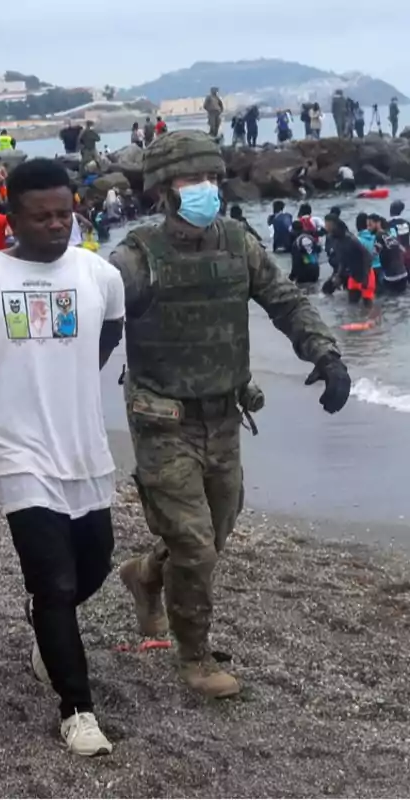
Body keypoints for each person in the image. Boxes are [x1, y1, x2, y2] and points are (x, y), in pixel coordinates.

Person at [109, 131, 350, 699]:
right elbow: (92, 321)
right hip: (162, 420)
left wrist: (326, 353)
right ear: (166, 190)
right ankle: (194, 659)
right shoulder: (135, 258)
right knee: (194, 546)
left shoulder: (239, 243)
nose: (207, 190)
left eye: (212, 179)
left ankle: (144, 575)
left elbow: (285, 300)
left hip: (225, 417)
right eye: (195, 181)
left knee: (213, 536)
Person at [0, 159, 123, 756]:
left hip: (84, 444)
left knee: (94, 563)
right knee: (52, 579)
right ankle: (77, 710)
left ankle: (48, 635)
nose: (54, 225)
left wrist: (68, 380)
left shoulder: (99, 275)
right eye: (41, 216)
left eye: (64, 214)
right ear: (12, 217)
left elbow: (110, 334)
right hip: (19, 450)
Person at [323, 214, 375, 305]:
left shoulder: (351, 239)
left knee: (367, 303)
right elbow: (342, 260)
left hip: (365, 273)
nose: (326, 227)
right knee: (352, 305)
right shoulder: (335, 241)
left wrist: (365, 277)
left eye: (328, 225)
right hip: (353, 274)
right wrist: (338, 275)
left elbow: (367, 257)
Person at [289, 218, 322, 284]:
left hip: (304, 274)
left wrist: (292, 276)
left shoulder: (296, 243)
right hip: (316, 271)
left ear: (294, 231)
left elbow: (296, 261)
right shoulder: (311, 238)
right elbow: (318, 250)